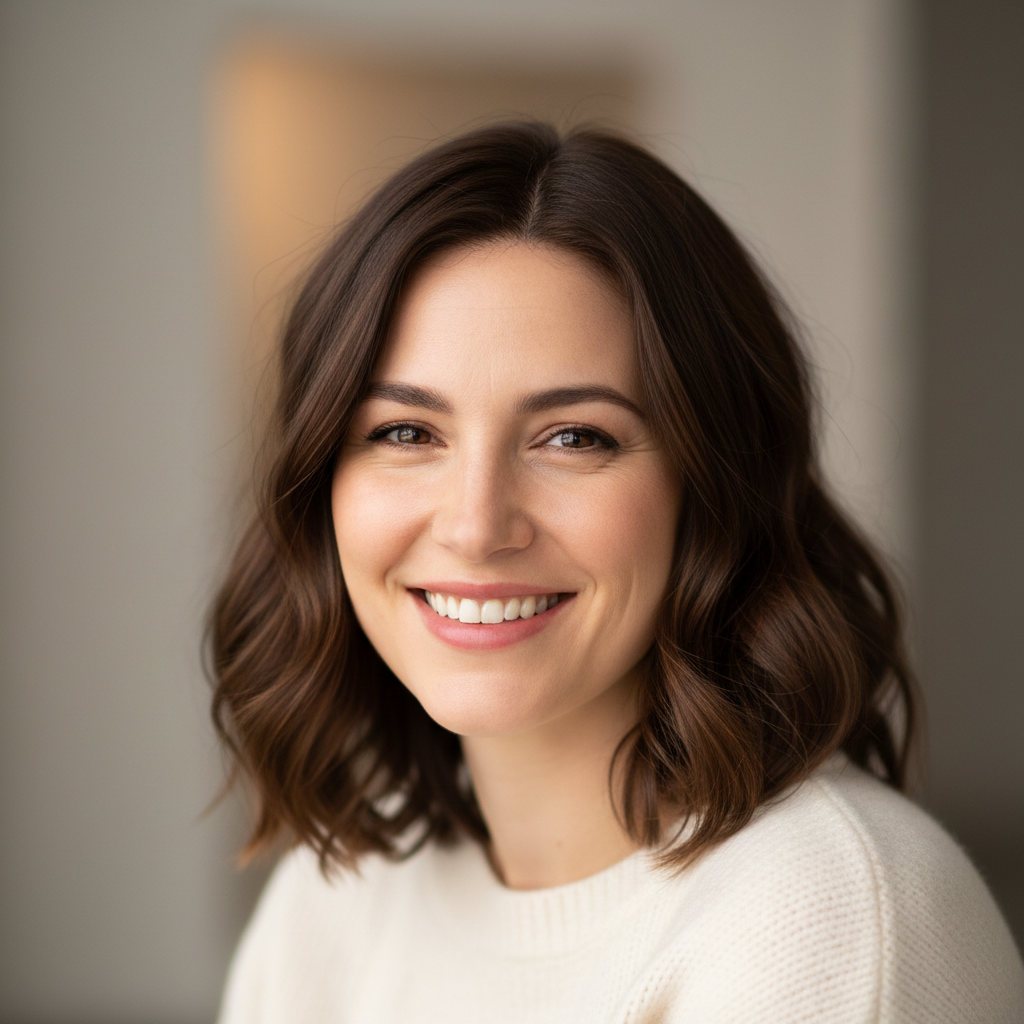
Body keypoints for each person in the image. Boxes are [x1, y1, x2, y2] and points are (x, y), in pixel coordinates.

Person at [210, 122, 1023, 1023]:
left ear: (711, 482)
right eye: (406, 433)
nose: (476, 526)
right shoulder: (338, 897)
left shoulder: (823, 920)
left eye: (574, 437)